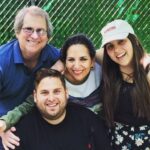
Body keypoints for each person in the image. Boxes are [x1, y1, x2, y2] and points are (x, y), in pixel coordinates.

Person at [0, 34, 103, 149]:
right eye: (71, 60)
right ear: (64, 62)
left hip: (97, 127)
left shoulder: (102, 73)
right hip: (65, 129)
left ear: (92, 61)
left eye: (83, 59)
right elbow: (29, 103)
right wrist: (6, 123)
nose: (77, 65)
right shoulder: (56, 78)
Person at [0, 5, 64, 149]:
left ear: (48, 36)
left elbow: (83, 54)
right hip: (8, 124)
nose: (35, 36)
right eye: (28, 29)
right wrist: (2, 128)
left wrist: (63, 63)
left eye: (40, 30)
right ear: (17, 32)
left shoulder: (53, 55)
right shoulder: (2, 61)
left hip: (38, 122)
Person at [10, 68, 112, 150]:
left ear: (66, 93)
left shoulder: (87, 119)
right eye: (44, 92)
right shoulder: (22, 131)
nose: (51, 98)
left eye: (57, 91)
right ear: (35, 96)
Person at [100, 19, 150, 149]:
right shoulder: (108, 70)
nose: (117, 50)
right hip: (115, 142)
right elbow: (86, 52)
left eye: (121, 41)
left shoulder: (147, 71)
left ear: (134, 41)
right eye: (110, 46)